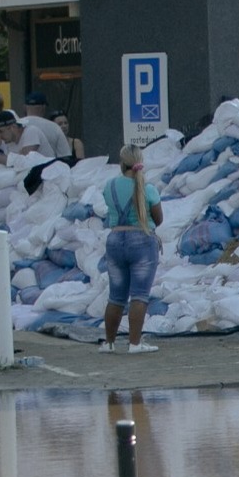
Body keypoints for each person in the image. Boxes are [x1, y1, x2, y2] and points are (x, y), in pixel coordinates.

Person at [100, 143, 163, 353]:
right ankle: (134, 343)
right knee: (139, 295)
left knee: (116, 296)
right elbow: (159, 219)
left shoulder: (109, 186)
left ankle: (108, 343)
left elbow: (109, 212)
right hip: (142, 242)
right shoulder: (148, 188)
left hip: (115, 239)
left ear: (121, 163)